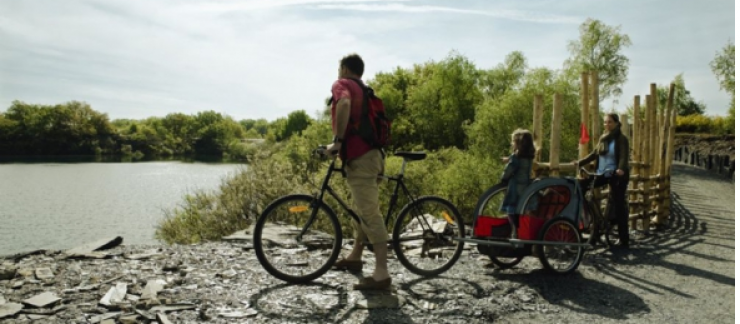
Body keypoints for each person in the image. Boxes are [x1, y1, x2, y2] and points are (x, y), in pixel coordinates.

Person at [325, 53, 390, 290]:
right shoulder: (364, 89)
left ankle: (382, 274)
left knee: (370, 213)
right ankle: (355, 256)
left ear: (343, 68)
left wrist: (338, 141)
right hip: (374, 156)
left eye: (338, 67)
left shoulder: (342, 85)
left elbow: (343, 104)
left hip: (361, 157)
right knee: (359, 209)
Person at [574, 113, 630, 250]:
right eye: (605, 122)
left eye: (610, 122)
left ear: (617, 123)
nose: (607, 125)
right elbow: (594, 154)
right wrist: (579, 162)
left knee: (619, 204)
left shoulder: (621, 139)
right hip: (602, 173)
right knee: (581, 186)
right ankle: (592, 222)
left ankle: (624, 238)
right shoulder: (603, 138)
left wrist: (621, 169)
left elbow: (623, 156)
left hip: (617, 174)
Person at [499, 129, 536, 238]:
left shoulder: (516, 158)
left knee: (511, 209)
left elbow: (510, 168)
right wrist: (509, 158)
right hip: (526, 186)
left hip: (515, 187)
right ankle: (524, 231)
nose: (512, 144)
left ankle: (515, 230)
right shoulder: (529, 157)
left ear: (519, 143)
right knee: (523, 210)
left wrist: (503, 178)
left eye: (513, 142)